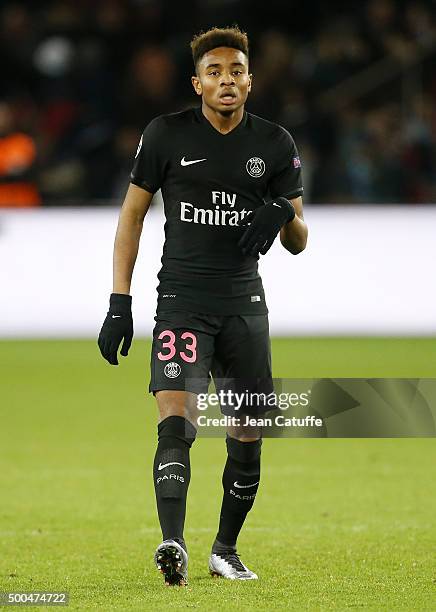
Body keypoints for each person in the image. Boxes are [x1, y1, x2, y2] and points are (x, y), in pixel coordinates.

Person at [98, 26, 308, 586]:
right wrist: (120, 301)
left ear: (250, 80)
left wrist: (281, 213)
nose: (226, 81)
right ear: (197, 83)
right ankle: (172, 542)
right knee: (177, 420)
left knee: (247, 432)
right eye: (214, 73)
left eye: (236, 71)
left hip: (244, 307)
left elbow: (300, 240)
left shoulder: (275, 144)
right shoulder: (165, 136)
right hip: (182, 304)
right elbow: (132, 216)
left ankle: (225, 549)